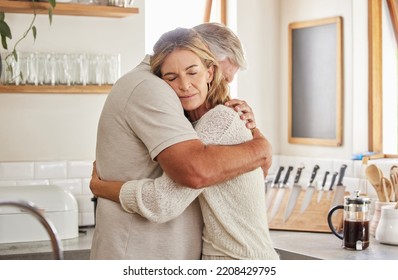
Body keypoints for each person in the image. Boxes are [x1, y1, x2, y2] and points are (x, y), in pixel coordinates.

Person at [91, 27, 279, 260]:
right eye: (173, 76)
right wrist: (259, 145)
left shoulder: (220, 119)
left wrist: (101, 188)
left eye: (194, 72)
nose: (186, 85)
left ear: (208, 71)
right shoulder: (187, 116)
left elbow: (164, 200)